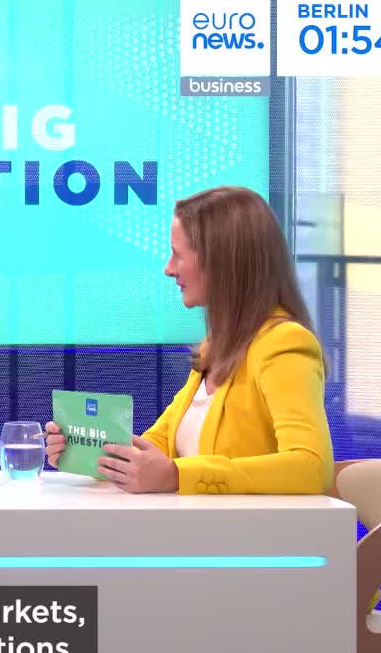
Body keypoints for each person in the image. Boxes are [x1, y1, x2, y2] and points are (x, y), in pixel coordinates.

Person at [45, 186, 332, 495]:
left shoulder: (284, 345)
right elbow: (158, 446)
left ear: (222, 262)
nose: (168, 269)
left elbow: (311, 467)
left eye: (178, 255)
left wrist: (178, 476)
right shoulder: (217, 346)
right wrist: (86, 449)